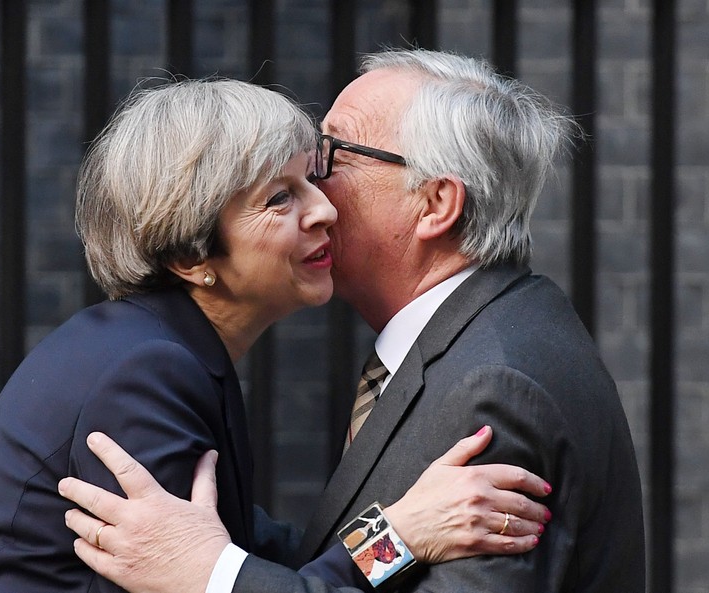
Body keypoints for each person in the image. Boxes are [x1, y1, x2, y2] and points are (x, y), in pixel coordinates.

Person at [59, 49, 646, 593]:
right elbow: (327, 555)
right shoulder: (489, 335)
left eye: (334, 154)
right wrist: (398, 534)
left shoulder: (493, 390)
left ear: (436, 204)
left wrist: (216, 577)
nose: (315, 185)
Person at [0, 78, 552, 593]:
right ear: (190, 252)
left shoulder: (160, 349)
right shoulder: (144, 373)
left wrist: (400, 525)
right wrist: (401, 537)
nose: (325, 211)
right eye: (280, 197)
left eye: (314, 180)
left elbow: (251, 553)